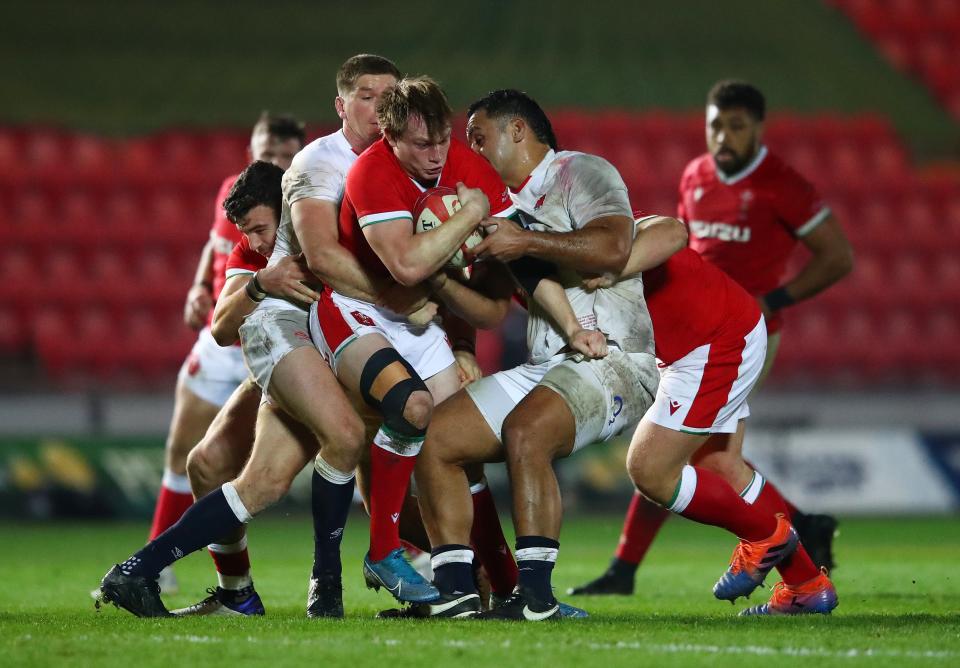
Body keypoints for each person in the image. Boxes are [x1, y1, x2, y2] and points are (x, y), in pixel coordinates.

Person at [98, 54, 412, 618]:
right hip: (298, 346)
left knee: (265, 480)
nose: (261, 242)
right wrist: (264, 283)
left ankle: (147, 570)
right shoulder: (273, 234)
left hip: (344, 346)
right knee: (311, 445)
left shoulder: (372, 179)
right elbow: (222, 323)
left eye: (266, 230)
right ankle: (319, 585)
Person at [570, 79, 854, 597]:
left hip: (738, 331)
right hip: (692, 328)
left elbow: (838, 258)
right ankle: (802, 563)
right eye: (715, 125)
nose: (723, 136)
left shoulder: (781, 184)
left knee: (668, 453)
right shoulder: (696, 174)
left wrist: (778, 300)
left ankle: (769, 534)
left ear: (759, 129)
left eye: (736, 126)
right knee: (710, 457)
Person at [412, 89, 661, 620]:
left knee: (527, 432)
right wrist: (435, 282)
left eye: (478, 137)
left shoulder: (581, 172)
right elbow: (490, 310)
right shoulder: (495, 206)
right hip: (548, 365)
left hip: (613, 360)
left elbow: (613, 248)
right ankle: (457, 590)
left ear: (518, 131)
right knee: (436, 437)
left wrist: (524, 242)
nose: (471, 150)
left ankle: (536, 600)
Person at [308, 76, 520, 605]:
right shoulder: (371, 172)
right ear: (390, 135)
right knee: (413, 406)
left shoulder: (462, 166)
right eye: (420, 145)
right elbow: (405, 266)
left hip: (422, 319)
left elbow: (505, 252)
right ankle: (384, 550)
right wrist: (470, 214)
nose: (435, 156)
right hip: (358, 308)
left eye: (442, 141)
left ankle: (502, 581)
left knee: (459, 448)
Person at [146, 113, 305, 594]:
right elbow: (217, 248)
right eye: (263, 150)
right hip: (232, 337)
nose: (270, 160)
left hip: (289, 342)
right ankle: (168, 561)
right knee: (190, 455)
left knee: (348, 450)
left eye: (280, 154)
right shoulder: (234, 196)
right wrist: (198, 287)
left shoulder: (313, 202)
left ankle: (411, 553)